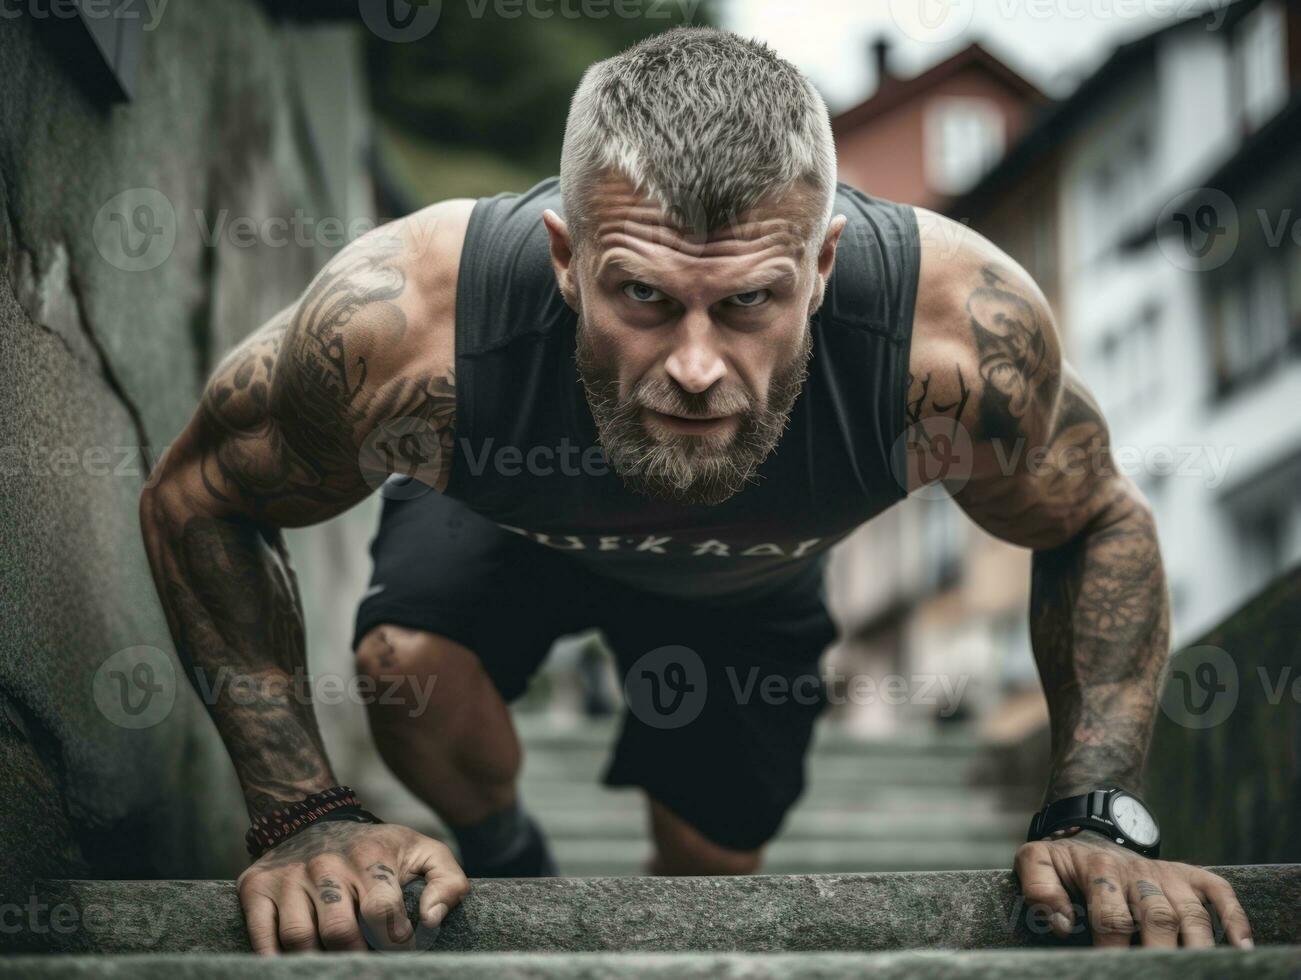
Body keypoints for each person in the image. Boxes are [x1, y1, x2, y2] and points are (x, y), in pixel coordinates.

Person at [139, 27, 1254, 955]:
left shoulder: (952, 342)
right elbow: (199, 494)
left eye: (747, 304)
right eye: (640, 294)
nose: (694, 365)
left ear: (817, 269)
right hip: (508, 526)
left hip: (748, 584)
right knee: (404, 670)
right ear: (565, 257)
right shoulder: (408, 329)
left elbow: (1099, 514)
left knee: (705, 877)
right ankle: (510, 865)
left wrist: (1093, 813)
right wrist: (301, 816)